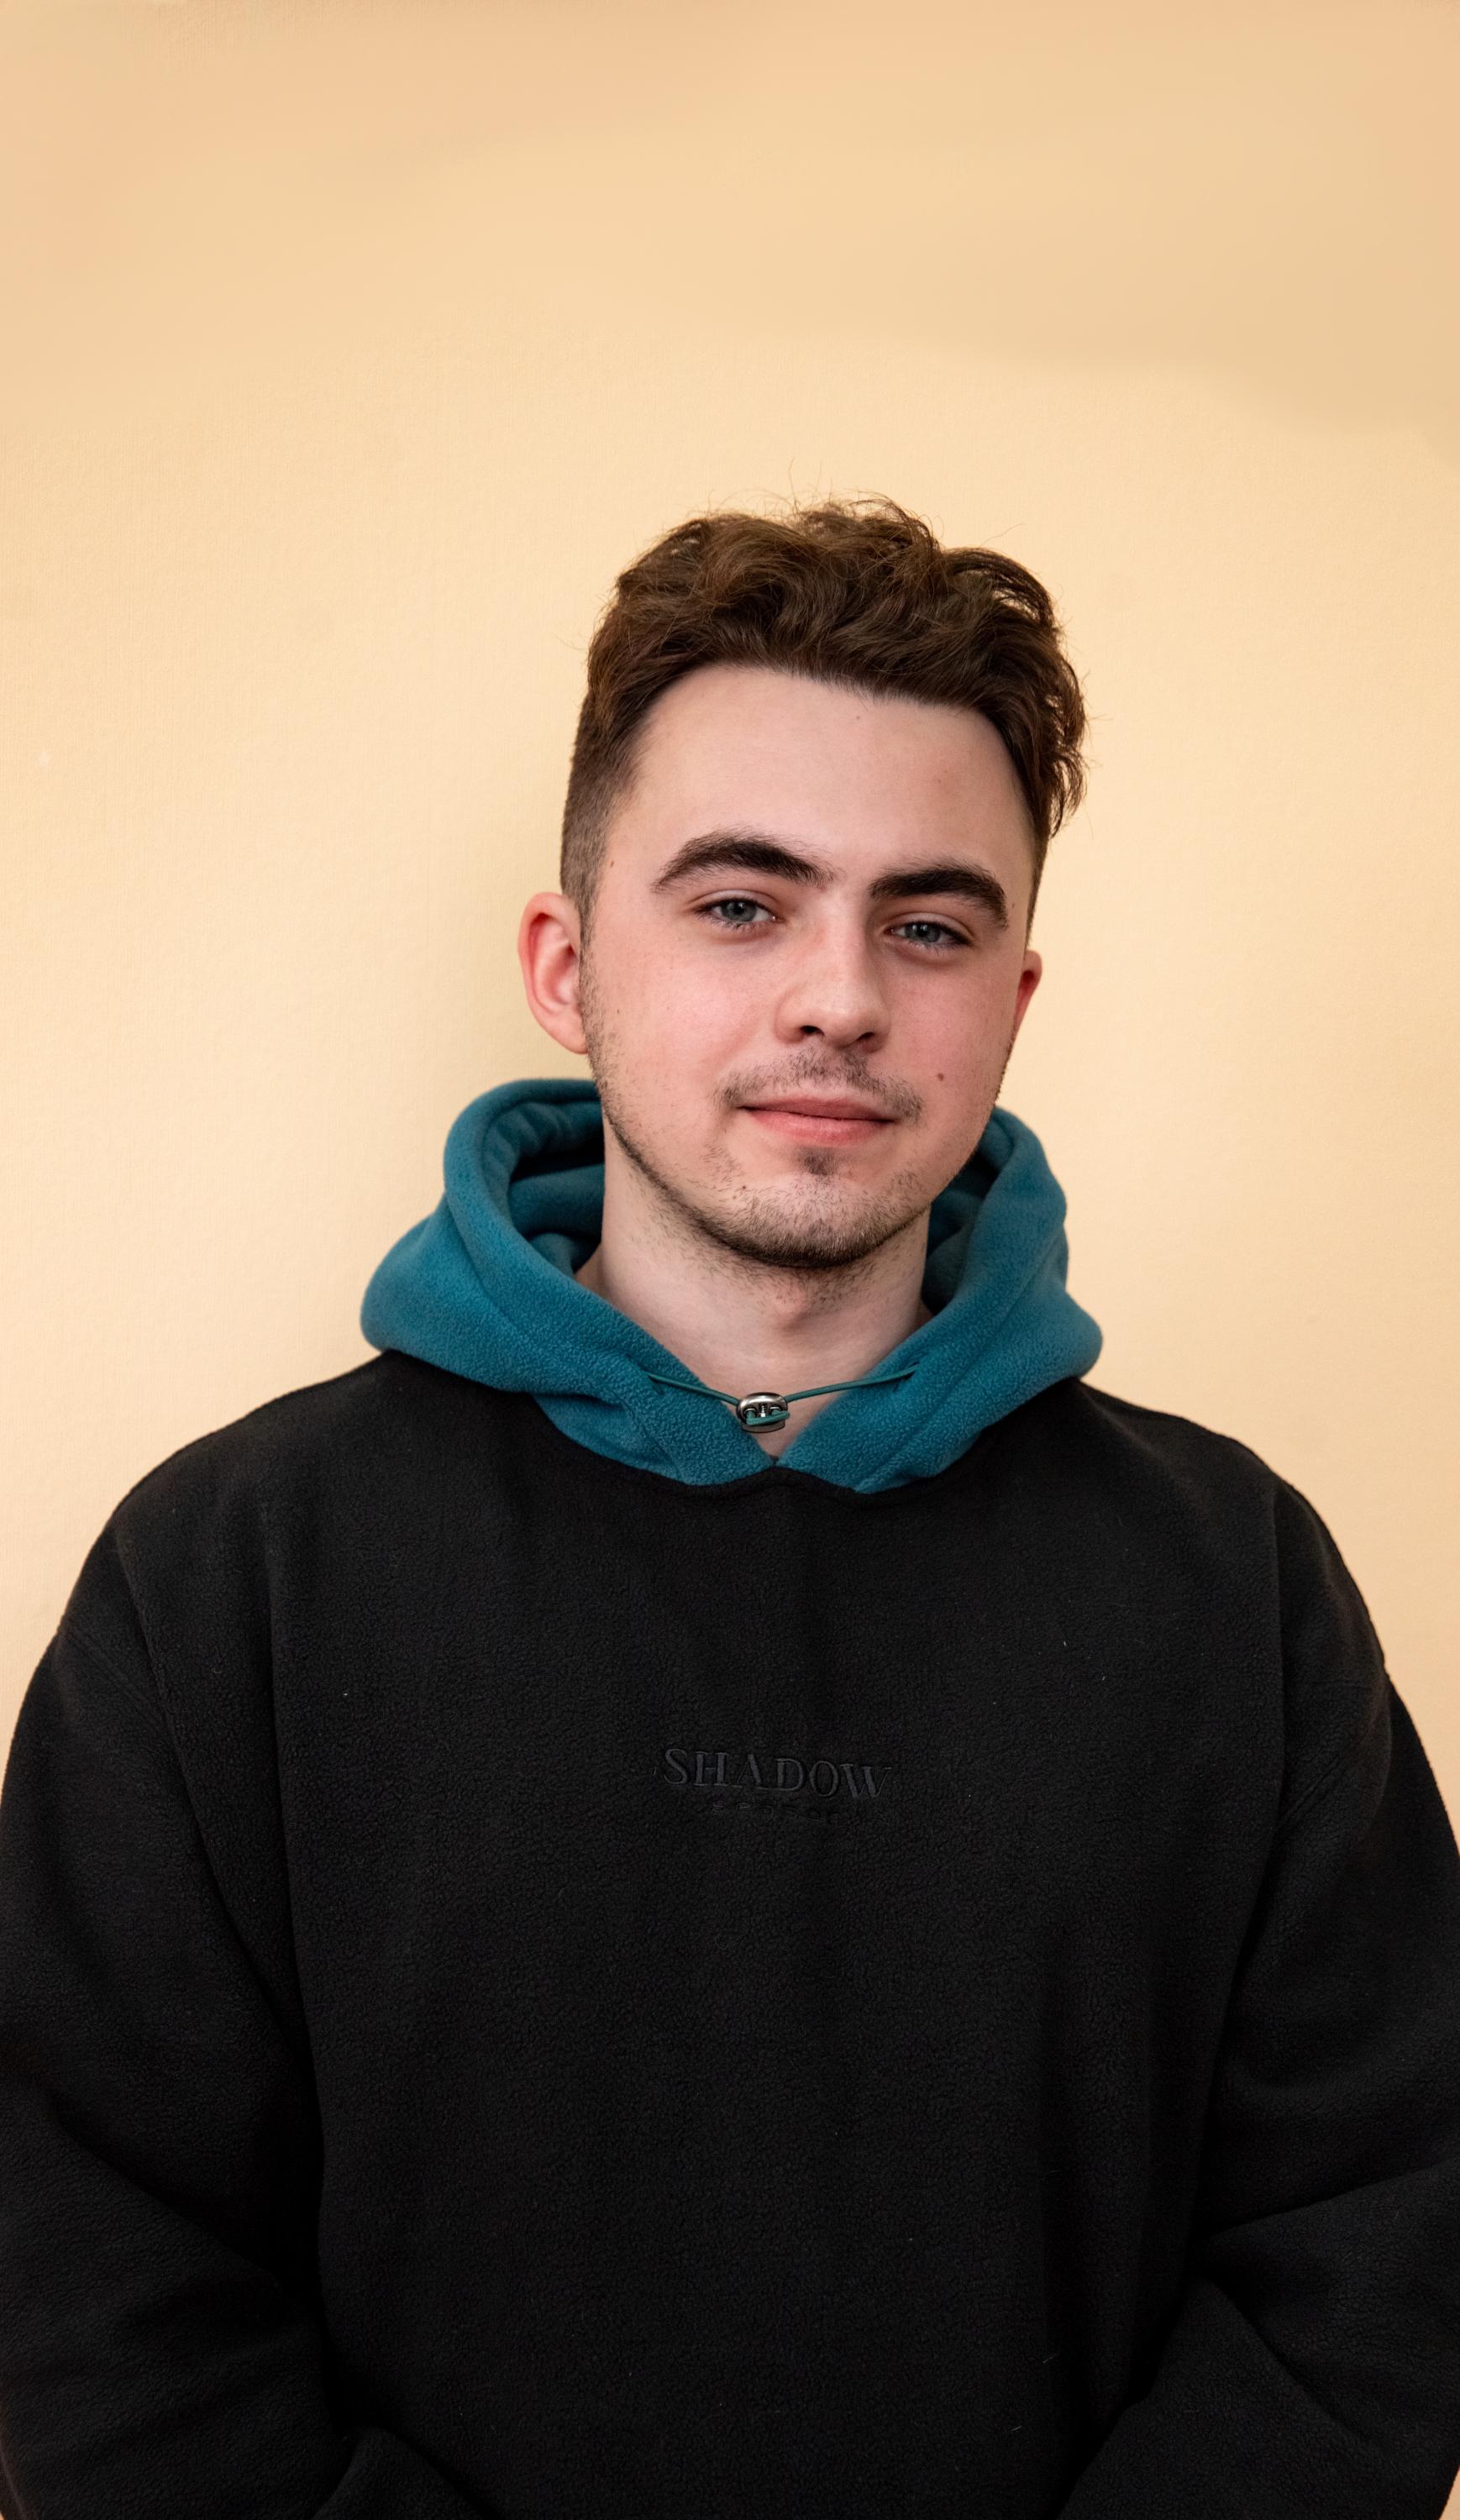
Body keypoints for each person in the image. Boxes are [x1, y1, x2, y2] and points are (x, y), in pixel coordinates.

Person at [1, 497, 1457, 2520]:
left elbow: (1373, 2263)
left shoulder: (1237, 1590)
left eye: (926, 926)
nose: (838, 998)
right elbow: (90, 2297)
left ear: (1011, 999)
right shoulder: (229, 1575)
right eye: (741, 904)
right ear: (564, 963)